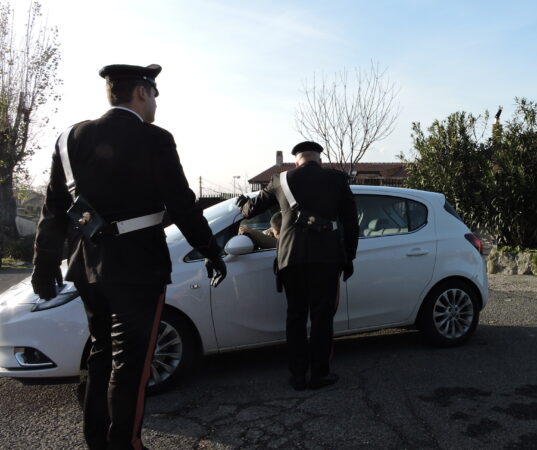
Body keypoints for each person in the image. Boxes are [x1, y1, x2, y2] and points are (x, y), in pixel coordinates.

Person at [31, 63, 227, 450]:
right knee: (131, 363)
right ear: (141, 92)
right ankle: (125, 443)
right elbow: (183, 205)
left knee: (101, 354)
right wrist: (210, 250)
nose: (155, 103)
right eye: (154, 95)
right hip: (139, 266)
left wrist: (43, 262)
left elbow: (52, 210)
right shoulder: (154, 138)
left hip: (87, 265)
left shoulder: (68, 137)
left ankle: (97, 442)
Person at [237, 141, 358, 390]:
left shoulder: (279, 180)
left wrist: (242, 204)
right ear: (319, 160)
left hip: (291, 258)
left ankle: (297, 376)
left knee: (296, 317)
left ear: (296, 161)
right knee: (322, 318)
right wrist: (349, 256)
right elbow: (351, 222)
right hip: (326, 258)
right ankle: (319, 374)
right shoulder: (336, 179)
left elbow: (250, 210)